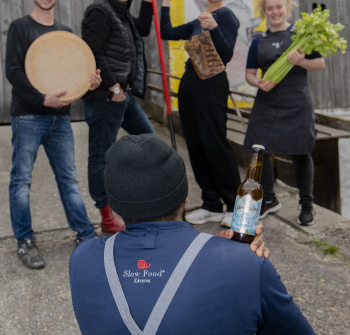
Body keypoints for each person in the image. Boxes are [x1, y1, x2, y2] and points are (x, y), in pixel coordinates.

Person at [69, 133, 315, 335]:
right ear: (185, 199)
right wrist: (236, 259)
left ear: (113, 206)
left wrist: (221, 254)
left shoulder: (83, 259)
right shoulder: (244, 264)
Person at [5, 0, 100, 270]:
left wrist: (89, 84)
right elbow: (13, 72)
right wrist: (41, 99)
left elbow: (72, 78)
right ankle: (25, 241)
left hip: (61, 119)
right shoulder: (20, 28)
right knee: (22, 181)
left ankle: (85, 235)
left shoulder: (66, 34)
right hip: (29, 116)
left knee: (69, 180)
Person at [160, 0, 242, 228]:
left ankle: (233, 205)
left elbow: (226, 54)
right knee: (195, 144)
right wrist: (164, 1)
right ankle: (210, 204)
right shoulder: (199, 19)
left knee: (214, 143)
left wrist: (214, 29)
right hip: (190, 83)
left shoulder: (226, 17)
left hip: (213, 85)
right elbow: (167, 33)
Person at [81, 0, 154, 234]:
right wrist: (114, 89)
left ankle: (142, 201)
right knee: (101, 155)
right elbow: (93, 52)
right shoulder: (99, 11)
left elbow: (143, 29)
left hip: (123, 95)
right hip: (106, 96)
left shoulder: (121, 12)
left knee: (149, 143)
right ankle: (107, 213)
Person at [244, 0, 325, 225]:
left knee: (301, 151)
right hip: (267, 102)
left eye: (279, 7)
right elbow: (249, 73)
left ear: (287, 8)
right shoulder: (259, 40)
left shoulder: (301, 35)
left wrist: (301, 60)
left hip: (296, 102)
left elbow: (319, 64)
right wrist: (257, 82)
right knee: (258, 149)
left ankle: (307, 205)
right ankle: (268, 199)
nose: (275, 12)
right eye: (270, 8)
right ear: (264, 11)